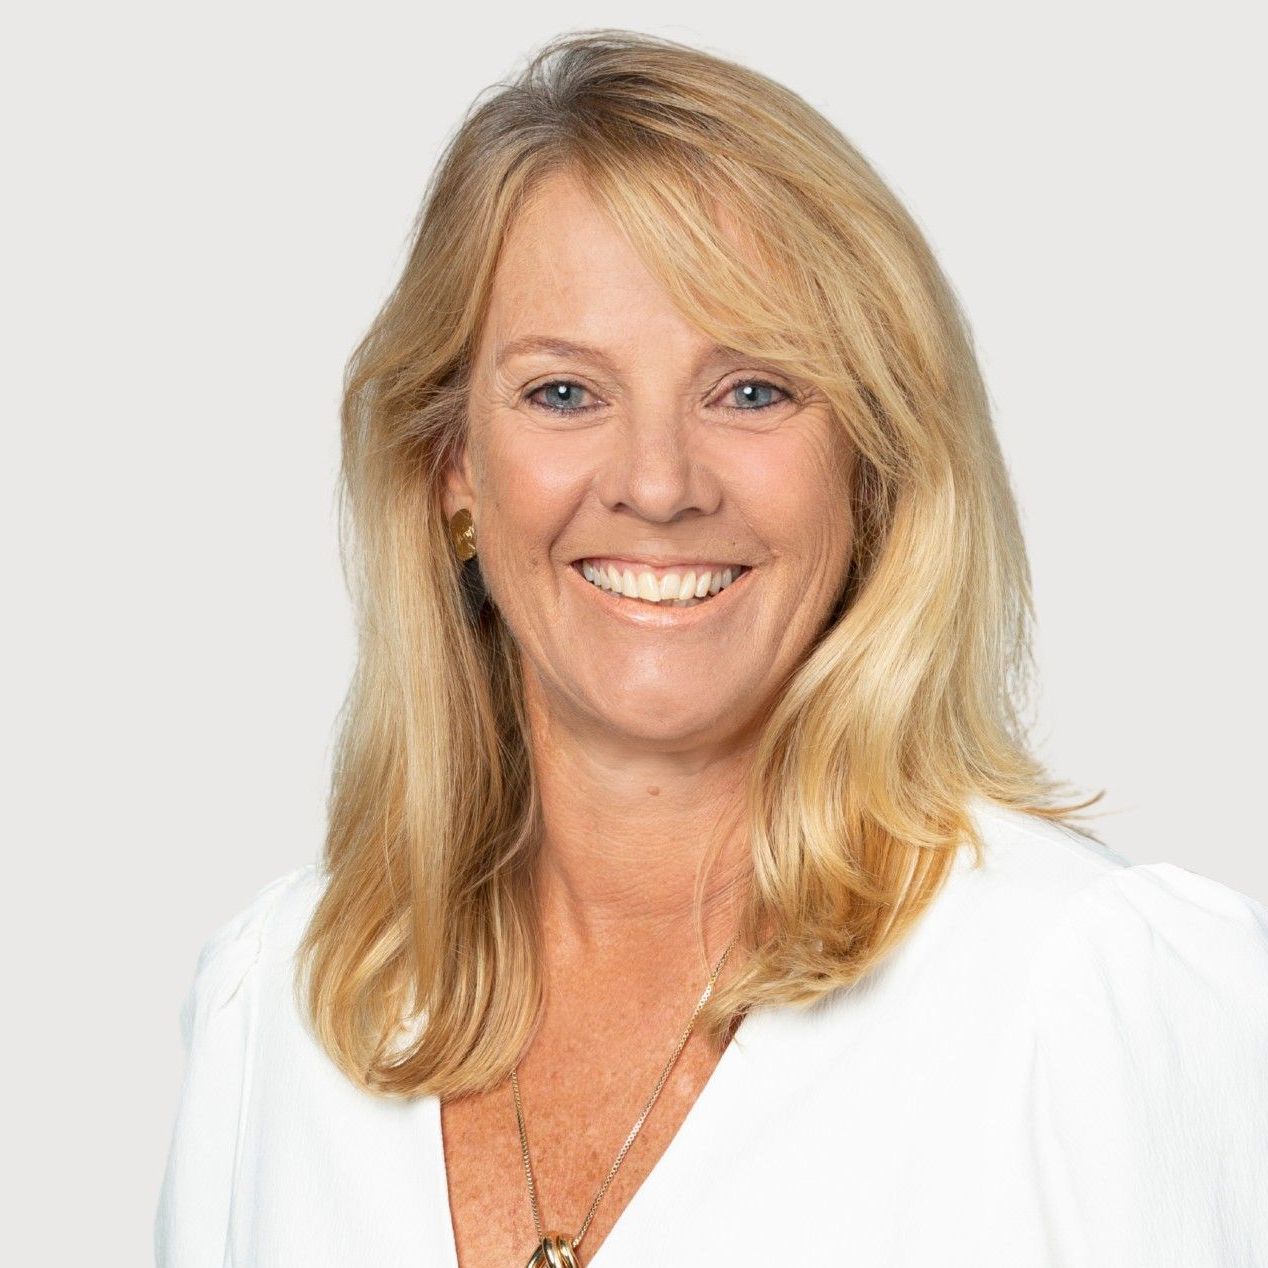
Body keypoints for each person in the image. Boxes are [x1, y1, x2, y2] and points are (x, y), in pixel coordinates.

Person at [154, 28, 1268, 1268]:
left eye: (751, 389)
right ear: (452, 467)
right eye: (563, 392)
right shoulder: (284, 1007)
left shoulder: (1088, 995)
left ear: (875, 466)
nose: (656, 483)